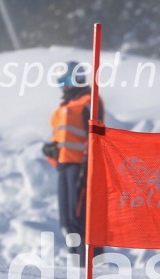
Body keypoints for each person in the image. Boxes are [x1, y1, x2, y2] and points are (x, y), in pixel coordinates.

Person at [42, 61, 104, 256]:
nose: (64, 87)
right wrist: (52, 151)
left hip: (81, 167)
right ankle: (75, 266)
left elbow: (95, 136)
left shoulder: (88, 101)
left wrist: (88, 166)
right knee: (67, 222)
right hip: (64, 167)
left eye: (66, 81)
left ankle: (93, 266)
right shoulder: (61, 109)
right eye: (60, 82)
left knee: (81, 219)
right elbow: (62, 139)